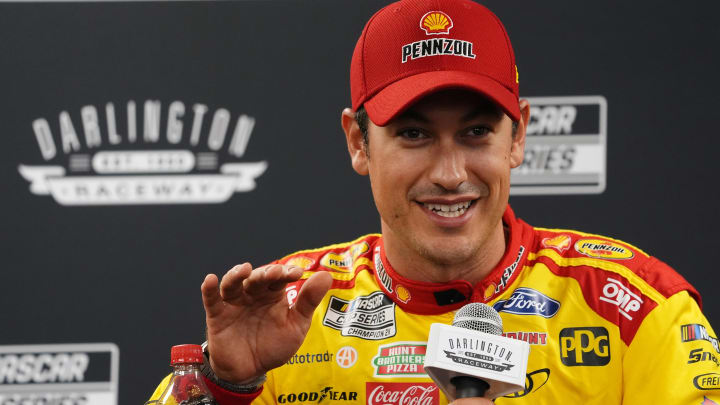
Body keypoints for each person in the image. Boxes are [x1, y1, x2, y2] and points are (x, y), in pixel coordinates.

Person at [148, 0, 719, 404]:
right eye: (415, 135)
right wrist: (227, 388)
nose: (450, 174)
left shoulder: (636, 310)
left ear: (517, 136)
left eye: (476, 132)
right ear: (358, 142)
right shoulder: (288, 311)